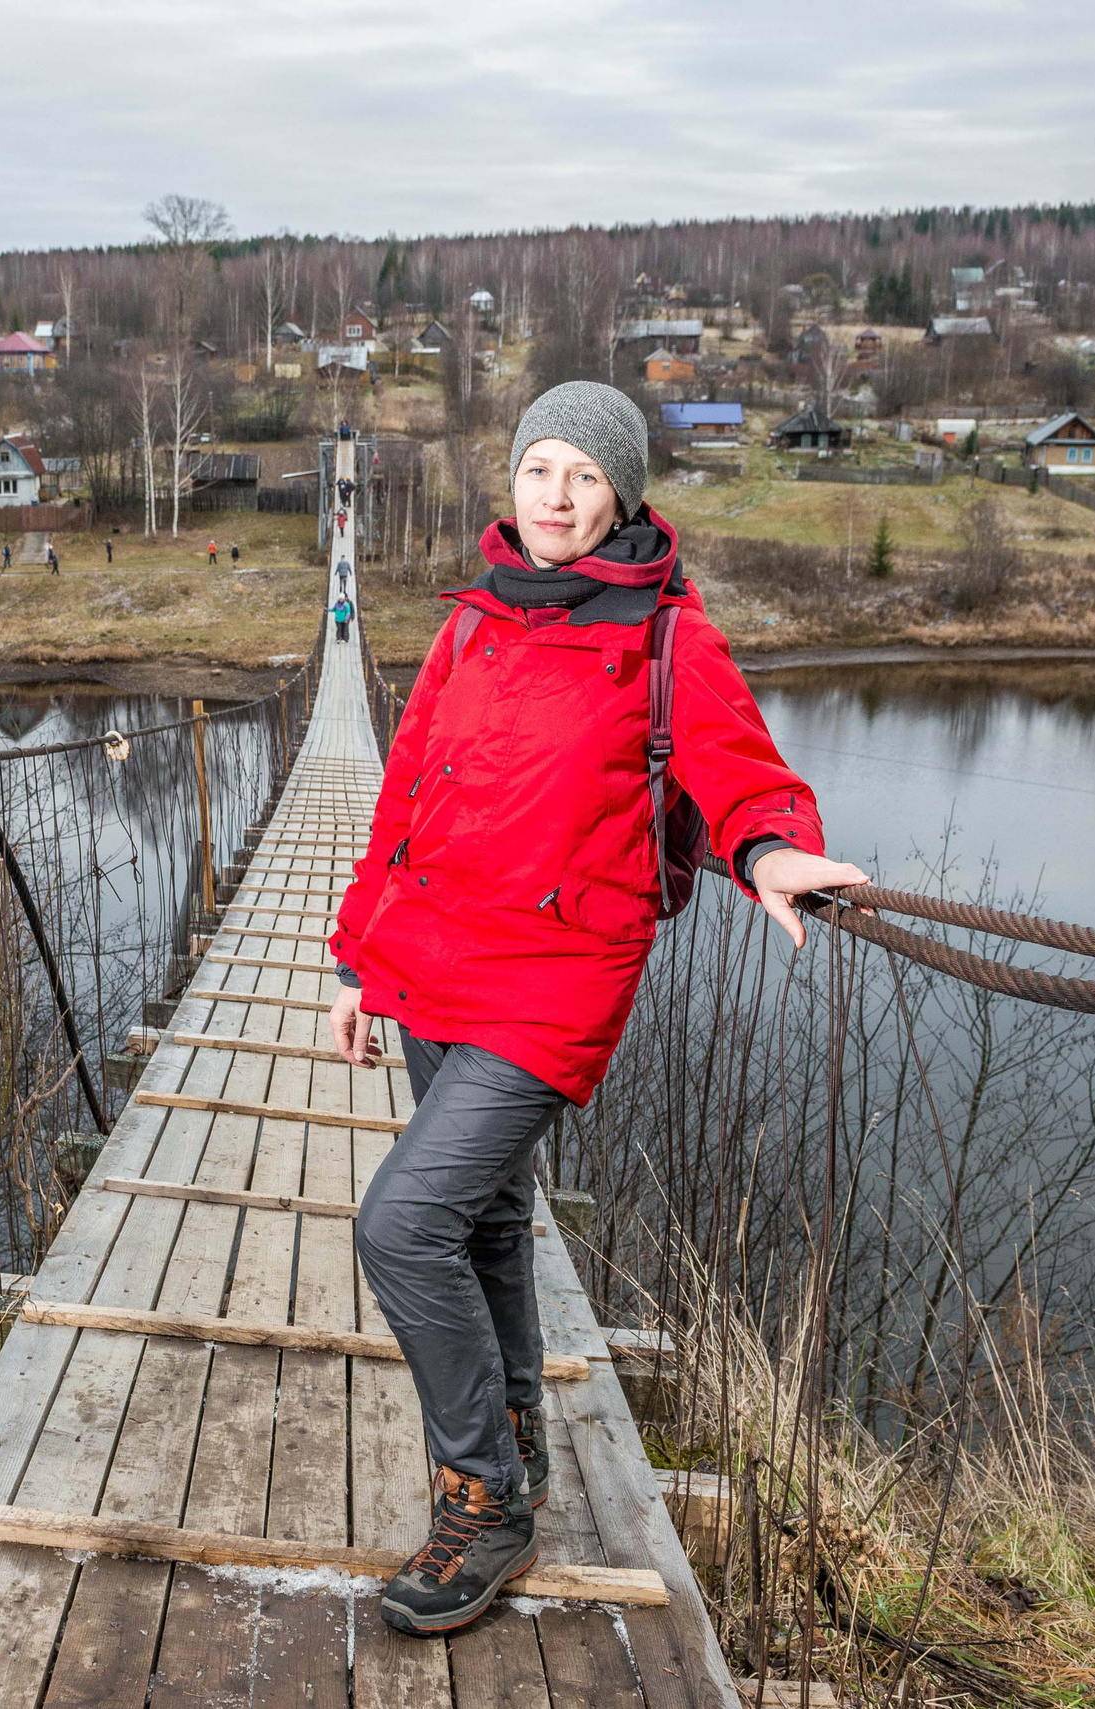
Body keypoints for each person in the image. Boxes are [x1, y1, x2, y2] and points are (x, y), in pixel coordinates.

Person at [326, 381, 862, 1639]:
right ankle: (517, 1437)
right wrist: (358, 957)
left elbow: (744, 775)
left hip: (553, 983)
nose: (557, 497)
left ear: (622, 492)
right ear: (510, 483)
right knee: (490, 1224)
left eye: (582, 475)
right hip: (432, 968)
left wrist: (773, 848)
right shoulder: (470, 624)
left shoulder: (670, 639)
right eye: (537, 470)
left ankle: (484, 1494)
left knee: (402, 1226)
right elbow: (403, 799)